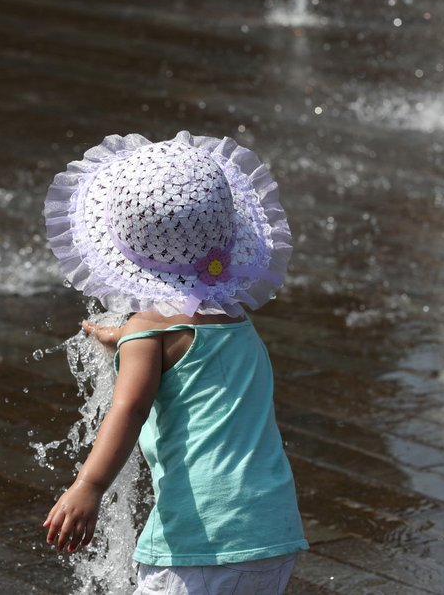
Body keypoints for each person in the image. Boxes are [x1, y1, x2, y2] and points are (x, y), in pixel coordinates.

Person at [41, 131, 308, 594]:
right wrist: (125, 338)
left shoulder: (149, 331)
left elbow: (129, 409)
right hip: (271, 528)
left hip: (201, 538)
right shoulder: (232, 318)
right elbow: (182, 344)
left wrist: (89, 486)